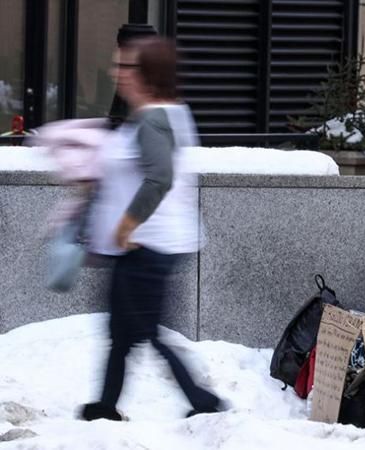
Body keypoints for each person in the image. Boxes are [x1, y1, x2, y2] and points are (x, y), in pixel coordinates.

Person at [80, 36, 222, 421]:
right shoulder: (157, 115)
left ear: (148, 75)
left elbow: (159, 178)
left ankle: (203, 402)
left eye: (125, 67)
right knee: (125, 334)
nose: (116, 74)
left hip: (147, 246)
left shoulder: (155, 120)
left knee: (144, 333)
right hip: (146, 247)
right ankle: (106, 407)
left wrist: (127, 225)